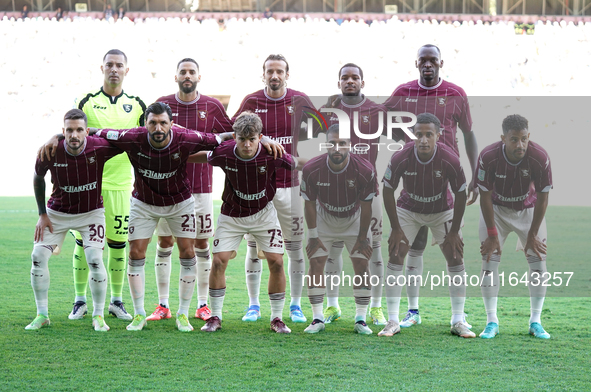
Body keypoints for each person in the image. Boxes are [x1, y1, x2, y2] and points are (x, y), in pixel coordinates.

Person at [383, 44, 479, 328]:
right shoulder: (403, 92)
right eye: (423, 60)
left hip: (447, 178)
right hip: (413, 176)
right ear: (416, 64)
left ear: (441, 63)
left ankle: (457, 318)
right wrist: (405, 140)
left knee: (453, 248)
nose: (428, 65)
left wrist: (476, 173)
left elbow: (469, 134)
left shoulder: (456, 93)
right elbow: (379, 116)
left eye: (432, 60)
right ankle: (412, 311)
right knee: (414, 244)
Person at [196, 111, 305, 334]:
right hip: (232, 214)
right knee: (218, 261)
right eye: (242, 139)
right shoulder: (224, 153)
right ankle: (215, 316)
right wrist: (169, 156)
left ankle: (276, 318)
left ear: (260, 137)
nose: (247, 145)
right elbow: (199, 155)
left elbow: (297, 163)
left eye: (252, 139)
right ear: (234, 137)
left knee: (276, 262)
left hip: (264, 214)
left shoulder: (271, 153)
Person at [146, 58, 234, 323]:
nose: (187, 75)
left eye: (191, 72)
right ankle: (163, 305)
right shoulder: (162, 105)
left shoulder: (212, 106)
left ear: (199, 76)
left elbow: (229, 139)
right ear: (175, 77)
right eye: (182, 72)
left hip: (201, 188)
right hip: (167, 189)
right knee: (164, 242)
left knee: (201, 244)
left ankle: (203, 304)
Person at [232, 54, 315, 323]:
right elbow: (234, 132)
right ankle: (253, 305)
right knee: (254, 247)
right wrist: (262, 136)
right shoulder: (251, 102)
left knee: (294, 247)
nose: (275, 76)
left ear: (287, 74)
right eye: (270, 71)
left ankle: (295, 305)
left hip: (291, 187)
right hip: (258, 187)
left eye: (280, 71)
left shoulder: (301, 100)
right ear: (263, 74)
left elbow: (324, 131)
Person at [379, 113, 475, 338]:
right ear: (413, 136)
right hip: (409, 209)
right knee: (396, 254)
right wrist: (395, 227)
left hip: (442, 210)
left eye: (428, 134)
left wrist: (453, 232)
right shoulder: (401, 157)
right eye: (419, 134)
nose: (423, 139)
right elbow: (387, 189)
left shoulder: (449, 159)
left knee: (455, 255)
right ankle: (392, 320)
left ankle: (458, 320)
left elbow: (461, 193)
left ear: (438, 136)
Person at [69, 49, 146, 322]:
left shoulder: (137, 105)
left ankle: (116, 300)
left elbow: (145, 143)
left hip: (122, 185)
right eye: (110, 65)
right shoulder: (86, 102)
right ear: (102, 67)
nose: (114, 69)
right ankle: (80, 300)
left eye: (119, 65)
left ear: (127, 70)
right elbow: (72, 137)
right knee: (83, 243)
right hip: (91, 185)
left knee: (118, 244)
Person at [26, 109, 120, 332]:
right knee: (38, 256)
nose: (74, 135)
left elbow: (123, 140)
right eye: (69, 130)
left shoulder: (99, 146)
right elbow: (38, 178)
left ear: (87, 131)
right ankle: (42, 315)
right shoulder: (50, 150)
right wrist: (42, 214)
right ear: (63, 131)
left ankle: (98, 316)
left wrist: (97, 132)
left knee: (95, 259)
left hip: (91, 213)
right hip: (57, 213)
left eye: (79, 130)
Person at [316, 63, 388, 326]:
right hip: (333, 193)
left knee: (374, 251)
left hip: (368, 192)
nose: (349, 81)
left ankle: (376, 307)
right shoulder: (329, 110)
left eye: (354, 77)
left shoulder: (378, 111)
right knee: (332, 252)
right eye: (344, 78)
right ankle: (333, 306)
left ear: (362, 82)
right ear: (338, 83)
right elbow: (311, 135)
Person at [476, 114, 552, 339]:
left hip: (528, 211)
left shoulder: (539, 157)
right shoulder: (488, 156)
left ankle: (535, 321)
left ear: (529, 137)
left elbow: (543, 197)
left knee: (538, 263)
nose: (520, 145)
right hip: (496, 211)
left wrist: (533, 234)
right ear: (503, 138)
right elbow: (484, 197)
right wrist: (491, 234)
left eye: (524, 139)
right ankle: (491, 321)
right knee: (489, 262)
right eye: (514, 140)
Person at [301, 125, 376, 335]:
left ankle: (360, 319)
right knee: (316, 262)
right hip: (324, 217)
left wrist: (362, 237)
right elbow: (309, 203)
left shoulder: (365, 169)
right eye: (332, 143)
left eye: (342, 143)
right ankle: (317, 318)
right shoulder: (312, 168)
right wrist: (313, 235)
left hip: (354, 218)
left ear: (349, 145)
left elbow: (367, 205)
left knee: (362, 264)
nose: (337, 148)